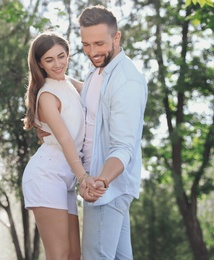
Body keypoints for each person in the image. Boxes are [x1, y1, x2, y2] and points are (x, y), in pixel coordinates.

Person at [21, 31, 105, 260]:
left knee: (74, 255)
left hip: (65, 176)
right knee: (59, 255)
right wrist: (83, 178)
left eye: (62, 56)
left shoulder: (68, 84)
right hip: (46, 175)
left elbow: (97, 87)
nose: (58, 64)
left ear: (68, 54)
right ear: (39, 63)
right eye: (49, 60)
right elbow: (66, 139)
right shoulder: (47, 95)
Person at [77, 5, 148, 260]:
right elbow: (90, 98)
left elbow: (123, 147)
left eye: (99, 43)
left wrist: (100, 181)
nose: (92, 52)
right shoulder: (99, 72)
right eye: (86, 44)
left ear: (116, 38)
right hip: (108, 189)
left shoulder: (126, 81)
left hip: (107, 189)